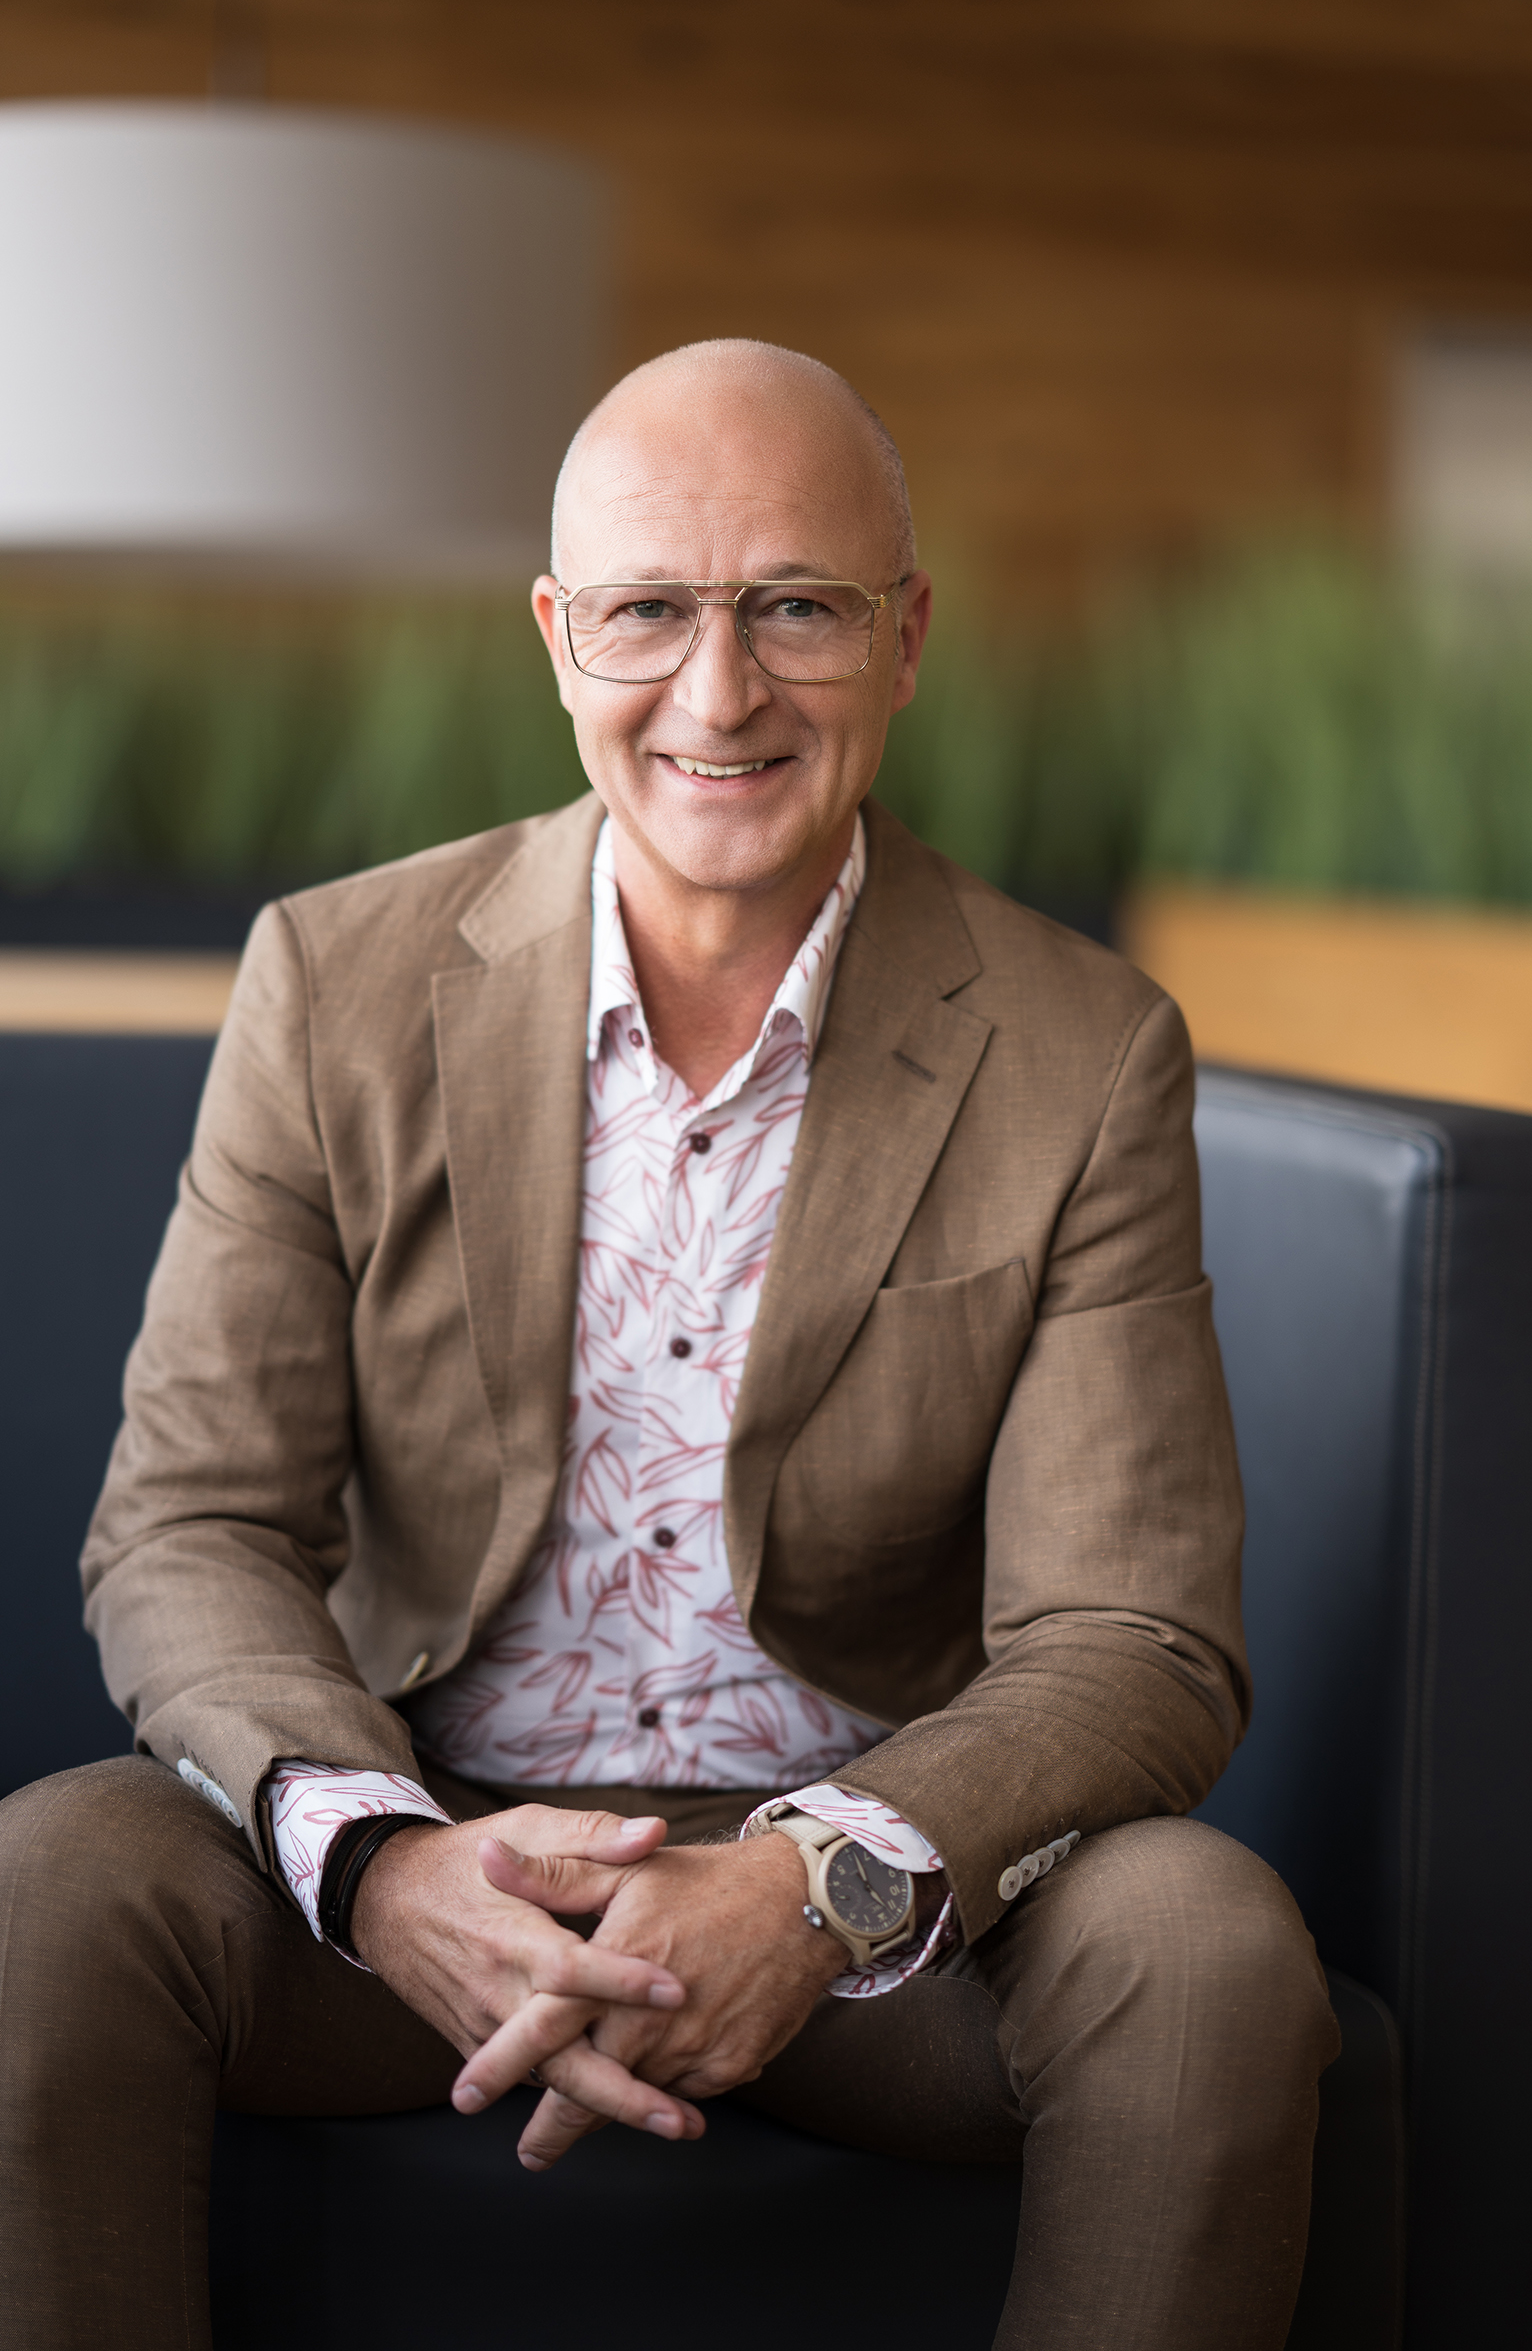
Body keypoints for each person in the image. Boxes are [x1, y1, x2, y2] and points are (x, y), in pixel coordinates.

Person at [0, 338, 1337, 2350]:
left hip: (881, 1897)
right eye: (648, 612)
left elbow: (1131, 1632)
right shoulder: (334, 979)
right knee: (52, 1878)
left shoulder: (1079, 1047)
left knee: (1205, 1944)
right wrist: (386, 1862)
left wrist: (809, 1884)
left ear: (903, 636)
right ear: (558, 638)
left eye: (795, 606)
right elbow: (190, 1524)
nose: (719, 694)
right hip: (434, 1831)